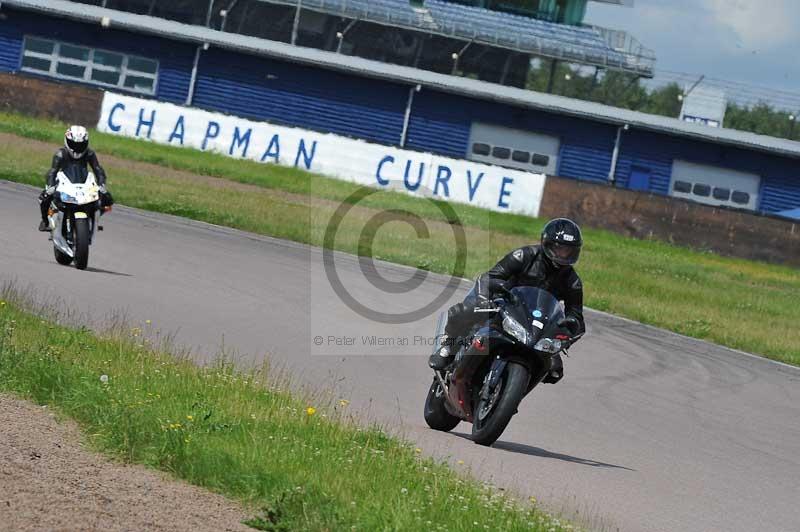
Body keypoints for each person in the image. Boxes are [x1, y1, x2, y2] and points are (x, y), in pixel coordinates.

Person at [428, 218, 586, 384]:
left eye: (568, 250)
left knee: (553, 370)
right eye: (560, 248)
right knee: (467, 310)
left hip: (535, 323)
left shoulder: (572, 281)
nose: (563, 254)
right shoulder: (524, 256)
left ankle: (512, 392)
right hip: (503, 303)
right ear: (547, 243)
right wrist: (483, 299)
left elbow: (577, 318)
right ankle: (448, 348)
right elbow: (490, 277)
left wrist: (566, 336)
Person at [38, 125, 113, 231]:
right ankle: (45, 221)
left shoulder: (89, 153)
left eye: (80, 145)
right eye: (74, 144)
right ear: (67, 141)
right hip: (65, 183)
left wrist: (102, 184)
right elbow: (52, 172)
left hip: (84, 183)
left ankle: (94, 218)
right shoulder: (60, 154)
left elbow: (98, 169)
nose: (77, 148)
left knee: (108, 199)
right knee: (44, 197)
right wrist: (50, 186)